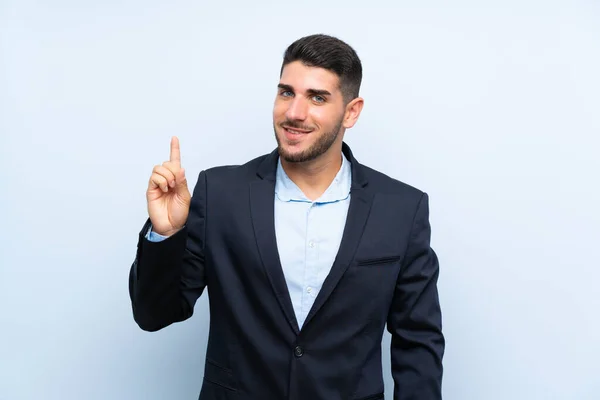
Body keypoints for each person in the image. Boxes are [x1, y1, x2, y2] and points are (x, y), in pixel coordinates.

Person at [129, 33, 444, 400]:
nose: (294, 113)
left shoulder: (401, 208)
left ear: (351, 111)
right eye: (286, 92)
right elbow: (154, 315)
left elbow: (418, 341)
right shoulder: (220, 193)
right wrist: (166, 234)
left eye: (317, 97)